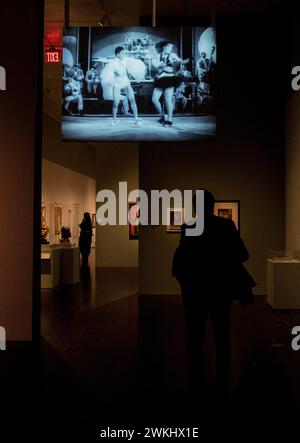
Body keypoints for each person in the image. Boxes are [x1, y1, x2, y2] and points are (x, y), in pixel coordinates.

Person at [172, 190, 252, 398]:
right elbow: (243, 255)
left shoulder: (189, 227)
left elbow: (181, 259)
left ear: (195, 206)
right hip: (220, 289)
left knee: (194, 335)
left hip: (195, 290)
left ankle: (195, 383)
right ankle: (223, 384)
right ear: (212, 205)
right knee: (222, 333)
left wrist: (185, 280)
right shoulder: (226, 226)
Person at [151, 40, 189, 127]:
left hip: (170, 78)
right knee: (154, 100)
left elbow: (181, 61)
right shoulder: (157, 56)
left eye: (171, 47)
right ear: (164, 47)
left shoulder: (172, 55)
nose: (170, 49)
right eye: (169, 47)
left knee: (168, 100)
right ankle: (163, 116)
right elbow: (155, 65)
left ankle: (170, 120)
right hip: (160, 79)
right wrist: (162, 64)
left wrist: (186, 61)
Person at [100, 46, 141, 126]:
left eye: (124, 53)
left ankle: (136, 119)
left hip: (125, 81)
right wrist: (114, 73)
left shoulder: (126, 60)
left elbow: (133, 64)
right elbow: (108, 73)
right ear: (118, 54)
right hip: (117, 83)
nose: (124, 54)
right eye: (122, 53)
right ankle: (114, 120)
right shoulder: (112, 63)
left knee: (132, 99)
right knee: (116, 102)